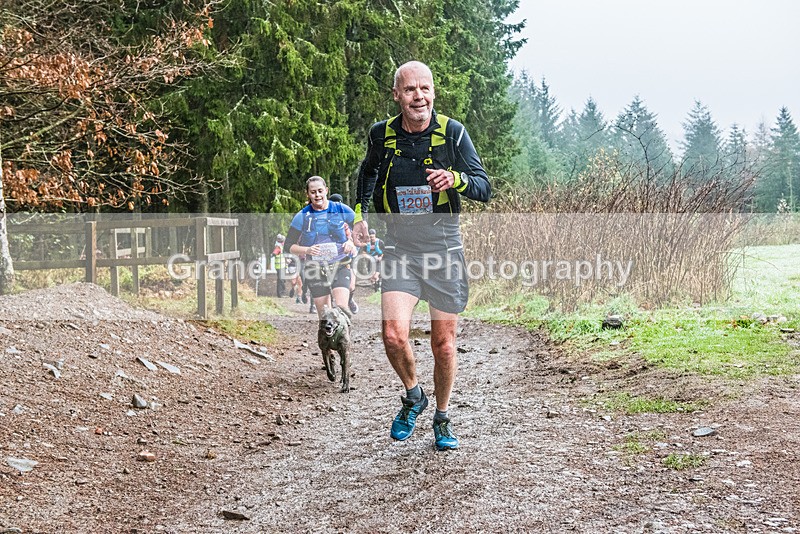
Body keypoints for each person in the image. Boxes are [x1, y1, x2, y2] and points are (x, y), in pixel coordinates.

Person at [352, 61, 490, 451]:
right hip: (399, 247)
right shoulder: (382, 135)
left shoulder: (452, 133)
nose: (419, 96)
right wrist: (361, 215)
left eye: (425, 89)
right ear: (397, 95)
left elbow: (484, 186)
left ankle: (442, 418)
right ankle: (414, 396)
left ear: (433, 93)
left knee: (443, 344)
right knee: (393, 336)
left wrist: (455, 179)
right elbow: (367, 174)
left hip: (442, 246)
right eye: (410, 90)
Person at [285, 177, 356, 325]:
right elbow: (289, 246)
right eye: (313, 192)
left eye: (320, 191)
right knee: (325, 317)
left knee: (342, 308)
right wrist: (308, 249)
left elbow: (360, 230)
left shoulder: (341, 209)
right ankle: (327, 347)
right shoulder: (302, 216)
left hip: (340, 264)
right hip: (315, 268)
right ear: (308, 195)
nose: (317, 195)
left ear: (326, 191)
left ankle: (344, 341)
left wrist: (351, 242)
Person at [329, 193, 359, 315]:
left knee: (351, 286)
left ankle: (350, 299)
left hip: (349, 258)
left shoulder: (348, 218)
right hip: (329, 260)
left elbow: (358, 236)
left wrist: (350, 242)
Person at [270, 234, 286, 298]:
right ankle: (280, 294)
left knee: (282, 279)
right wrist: (273, 254)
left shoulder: (281, 246)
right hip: (279, 266)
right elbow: (275, 252)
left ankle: (282, 292)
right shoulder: (278, 247)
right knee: (281, 280)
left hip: (282, 266)